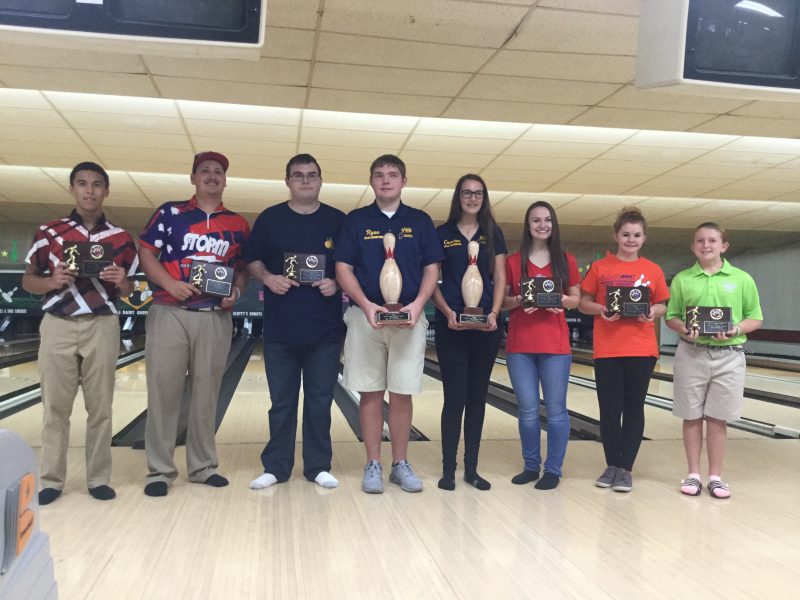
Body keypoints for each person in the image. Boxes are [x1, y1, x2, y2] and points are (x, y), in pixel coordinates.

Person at [22, 161, 138, 505]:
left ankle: (98, 478)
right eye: (83, 184)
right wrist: (50, 281)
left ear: (106, 190)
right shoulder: (49, 232)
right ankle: (52, 480)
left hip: (102, 324)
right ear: (72, 188)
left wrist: (123, 282)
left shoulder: (119, 237)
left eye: (97, 184)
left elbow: (132, 289)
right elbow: (28, 280)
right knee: (55, 408)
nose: (90, 190)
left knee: (101, 407)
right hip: (58, 323)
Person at [138, 151, 250, 497]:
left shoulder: (238, 224)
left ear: (225, 181)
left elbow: (243, 269)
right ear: (193, 178)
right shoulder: (170, 213)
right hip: (170, 312)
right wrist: (169, 284)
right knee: (164, 391)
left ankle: (202, 467)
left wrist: (237, 289)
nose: (212, 176)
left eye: (218, 172)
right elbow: (145, 253)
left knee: (206, 394)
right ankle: (160, 470)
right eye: (205, 171)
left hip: (214, 317)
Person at [334, 154, 443, 494]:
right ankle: (373, 464)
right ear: (371, 181)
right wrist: (366, 306)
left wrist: (416, 305)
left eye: (393, 175)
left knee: (402, 393)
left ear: (404, 182)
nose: (386, 180)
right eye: (379, 175)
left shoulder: (421, 221)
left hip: (408, 320)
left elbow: (432, 269)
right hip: (366, 318)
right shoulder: (356, 221)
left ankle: (400, 463)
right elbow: (343, 269)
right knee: (369, 392)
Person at [245, 154, 344, 491]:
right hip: (280, 330)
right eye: (298, 175)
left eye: (311, 175)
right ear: (287, 181)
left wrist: (338, 283)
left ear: (320, 180)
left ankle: (318, 466)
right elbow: (253, 261)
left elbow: (350, 265)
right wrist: (269, 278)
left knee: (320, 402)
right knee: (282, 403)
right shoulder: (270, 219)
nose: (305, 181)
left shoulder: (337, 220)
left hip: (325, 331)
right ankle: (276, 467)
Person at [665, 222, 762, 499]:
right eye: (700, 241)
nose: (705, 245)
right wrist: (684, 328)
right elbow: (671, 316)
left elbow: (755, 318)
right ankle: (694, 474)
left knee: (718, 419)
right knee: (692, 415)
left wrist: (736, 329)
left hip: (729, 355)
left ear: (724, 246)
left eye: (711, 241)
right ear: (693, 246)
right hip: (691, 352)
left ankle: (716, 477)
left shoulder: (742, 279)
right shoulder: (683, 279)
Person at [579, 207, 668, 493]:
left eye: (637, 235)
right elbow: (583, 302)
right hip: (607, 349)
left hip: (641, 349)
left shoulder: (652, 270)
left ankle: (626, 468)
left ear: (644, 238)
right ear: (616, 235)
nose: (631, 239)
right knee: (609, 410)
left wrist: (651, 312)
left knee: (633, 409)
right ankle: (611, 465)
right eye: (626, 234)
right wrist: (601, 309)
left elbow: (663, 305)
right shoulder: (600, 268)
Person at [431, 174, 506, 491]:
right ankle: (448, 470)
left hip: (485, 326)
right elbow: (432, 279)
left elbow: (500, 278)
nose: (472, 198)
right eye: (466, 192)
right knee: (454, 398)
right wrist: (447, 313)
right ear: (458, 197)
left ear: (484, 197)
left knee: (477, 398)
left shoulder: (493, 233)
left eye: (478, 193)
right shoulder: (442, 233)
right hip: (452, 325)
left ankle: (471, 470)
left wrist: (493, 313)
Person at [502, 201, 580, 491]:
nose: (542, 225)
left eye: (547, 220)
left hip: (556, 345)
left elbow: (576, 299)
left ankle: (554, 469)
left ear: (553, 224)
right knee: (527, 410)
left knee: (557, 410)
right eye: (536, 220)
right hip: (520, 345)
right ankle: (531, 466)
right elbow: (504, 303)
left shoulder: (565, 260)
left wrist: (561, 301)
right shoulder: (513, 261)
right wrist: (521, 301)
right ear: (528, 225)